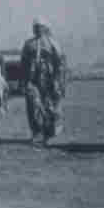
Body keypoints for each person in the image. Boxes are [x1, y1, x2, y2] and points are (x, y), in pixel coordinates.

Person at [20, 17, 67, 147]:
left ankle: (48, 133)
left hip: (49, 80)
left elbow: (60, 63)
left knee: (49, 106)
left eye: (40, 27)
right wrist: (24, 81)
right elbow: (23, 63)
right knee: (33, 105)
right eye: (35, 27)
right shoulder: (28, 44)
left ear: (45, 28)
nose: (37, 30)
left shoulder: (53, 43)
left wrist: (59, 81)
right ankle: (37, 132)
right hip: (32, 79)